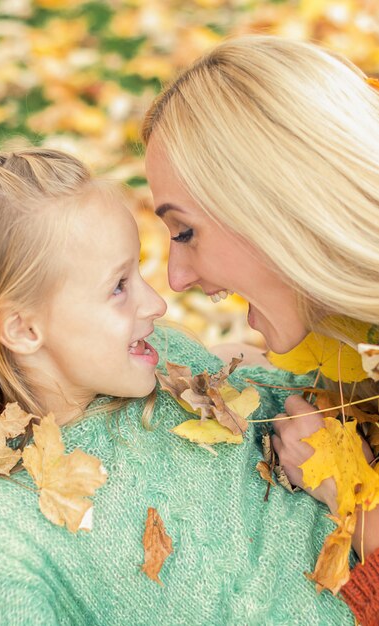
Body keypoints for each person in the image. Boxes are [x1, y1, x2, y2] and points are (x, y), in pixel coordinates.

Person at [0, 148, 354, 625]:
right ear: (24, 330)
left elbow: (307, 406)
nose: (156, 303)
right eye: (119, 287)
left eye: (139, 271)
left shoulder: (169, 366)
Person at [143, 35, 379, 625]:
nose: (174, 277)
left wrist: (347, 496)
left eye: (185, 232)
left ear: (277, 208)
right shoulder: (346, 328)